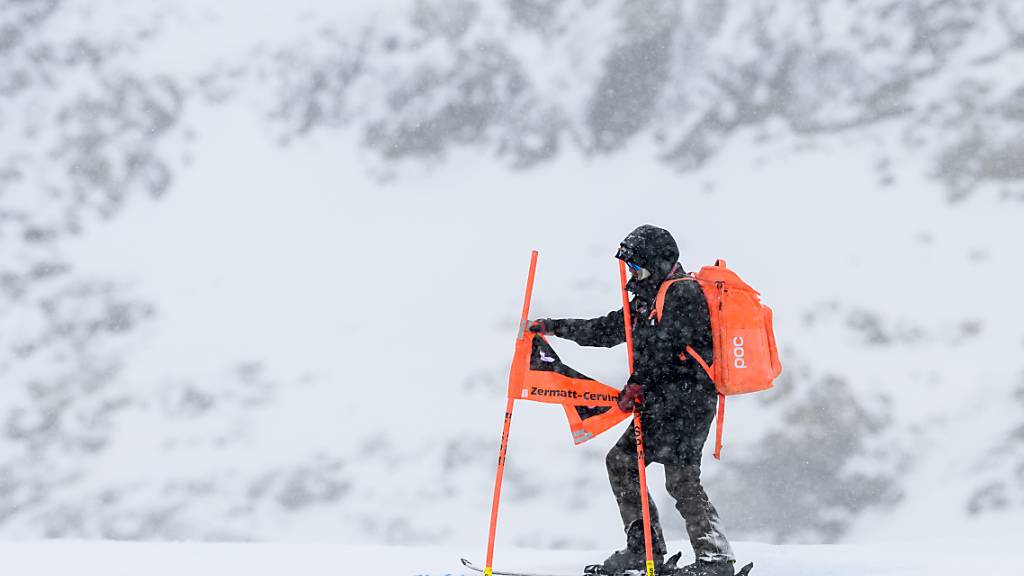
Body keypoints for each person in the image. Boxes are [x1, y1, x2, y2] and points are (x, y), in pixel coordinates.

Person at [530, 225, 736, 576]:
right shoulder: (648, 299)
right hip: (666, 402)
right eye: (630, 267)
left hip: (686, 403)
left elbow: (665, 347)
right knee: (657, 471)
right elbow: (610, 329)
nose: (632, 273)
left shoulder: (682, 294)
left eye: (637, 266)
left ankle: (685, 556)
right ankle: (674, 552)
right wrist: (556, 327)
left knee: (656, 471)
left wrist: (636, 384)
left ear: (658, 263)